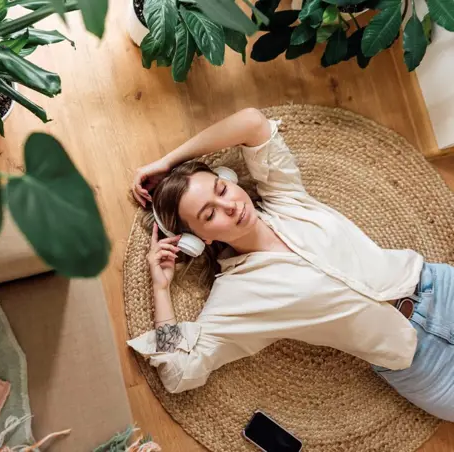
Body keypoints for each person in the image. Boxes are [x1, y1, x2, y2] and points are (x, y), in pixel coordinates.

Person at [127, 107, 454, 421]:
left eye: (222, 188)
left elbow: (252, 122)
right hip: (421, 363)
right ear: (199, 240)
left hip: (440, 289)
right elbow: (178, 371)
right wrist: (161, 287)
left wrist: (168, 162)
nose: (228, 206)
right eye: (209, 214)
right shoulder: (238, 296)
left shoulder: (285, 196)